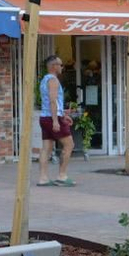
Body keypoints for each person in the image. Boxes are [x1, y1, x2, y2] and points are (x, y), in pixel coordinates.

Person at [37, 54, 75, 187]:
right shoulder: (53, 80)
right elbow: (53, 101)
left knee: (46, 148)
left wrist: (63, 114)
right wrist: (56, 121)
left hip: (45, 117)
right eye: (60, 64)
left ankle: (43, 178)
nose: (62, 67)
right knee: (69, 145)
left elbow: (50, 102)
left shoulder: (44, 80)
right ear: (54, 66)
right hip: (52, 118)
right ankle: (62, 176)